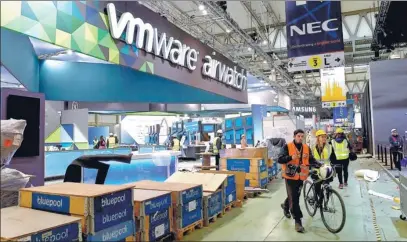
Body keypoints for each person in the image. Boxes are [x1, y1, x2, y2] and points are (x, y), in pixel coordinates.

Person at [278, 129, 322, 233]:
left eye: (302, 136)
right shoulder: (287, 147)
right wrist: (290, 157)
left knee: (294, 197)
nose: (300, 138)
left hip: (301, 177)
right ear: (294, 136)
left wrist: (319, 164)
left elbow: (311, 159)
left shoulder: (306, 148)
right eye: (298, 136)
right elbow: (279, 159)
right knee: (295, 199)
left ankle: (285, 206)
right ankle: (298, 222)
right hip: (290, 177)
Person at [312, 130, 336, 199]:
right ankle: (317, 201)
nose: (324, 138)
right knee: (318, 190)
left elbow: (333, 158)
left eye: (325, 137)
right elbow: (309, 158)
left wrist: (335, 165)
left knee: (327, 189)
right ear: (317, 138)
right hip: (316, 171)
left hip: (326, 171)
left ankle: (325, 204)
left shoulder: (329, 147)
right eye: (322, 137)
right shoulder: (312, 147)